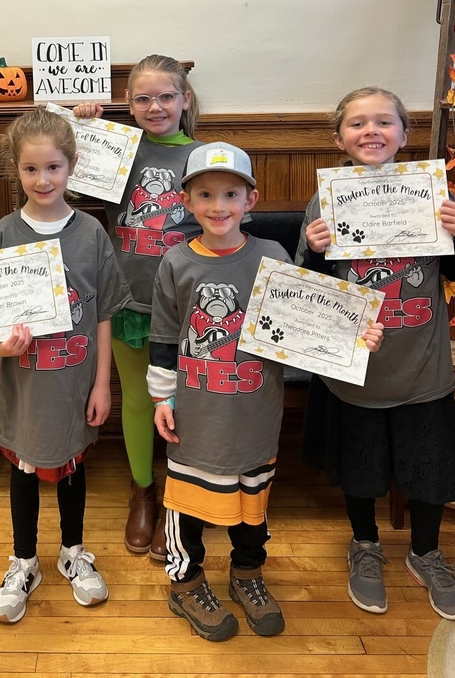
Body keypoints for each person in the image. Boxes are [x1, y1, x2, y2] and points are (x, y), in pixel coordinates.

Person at [150, 142, 383, 642]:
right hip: (195, 410)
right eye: (206, 195)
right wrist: (161, 398)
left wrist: (353, 335)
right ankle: (185, 581)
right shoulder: (174, 262)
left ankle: (247, 573)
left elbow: (308, 323)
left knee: (252, 497)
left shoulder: (273, 256)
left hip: (256, 407)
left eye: (231, 194)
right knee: (189, 501)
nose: (218, 206)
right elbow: (166, 336)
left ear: (250, 199)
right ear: (186, 202)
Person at [296, 86, 455, 622]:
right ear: (338, 138)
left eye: (384, 122)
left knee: (429, 469)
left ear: (404, 134)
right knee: (361, 467)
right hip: (354, 368)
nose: (371, 131)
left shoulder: (431, 193)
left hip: (420, 362)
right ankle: (365, 545)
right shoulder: (324, 200)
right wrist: (316, 247)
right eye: (357, 123)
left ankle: (426, 552)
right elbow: (309, 290)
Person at [0, 107, 131, 624]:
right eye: (30, 169)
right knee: (24, 468)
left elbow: (106, 314)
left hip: (74, 381)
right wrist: (1, 348)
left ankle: (73, 552)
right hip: (21, 384)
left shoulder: (91, 232)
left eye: (53, 167)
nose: (42, 179)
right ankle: (24, 561)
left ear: (71, 166)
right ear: (15, 171)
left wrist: (103, 385)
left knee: (72, 465)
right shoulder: (2, 233)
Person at [74, 54, 202, 560]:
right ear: (128, 104)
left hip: (188, 306)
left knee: (186, 401)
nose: (155, 106)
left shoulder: (204, 155)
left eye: (166, 96)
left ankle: (181, 495)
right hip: (128, 297)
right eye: (143, 98)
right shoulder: (119, 151)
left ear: (184, 99)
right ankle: (142, 491)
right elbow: (67, 186)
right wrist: (84, 131)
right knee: (138, 399)